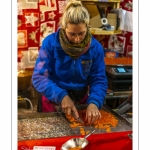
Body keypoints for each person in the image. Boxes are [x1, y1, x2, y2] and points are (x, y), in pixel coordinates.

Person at [32, 0, 108, 124]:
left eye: (81, 34)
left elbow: (98, 79)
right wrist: (61, 96)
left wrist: (94, 102)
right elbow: (39, 77)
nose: (77, 40)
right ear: (63, 27)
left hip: (81, 100)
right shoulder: (50, 44)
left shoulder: (95, 48)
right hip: (53, 100)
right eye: (72, 34)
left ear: (88, 27)